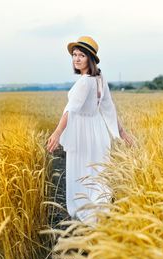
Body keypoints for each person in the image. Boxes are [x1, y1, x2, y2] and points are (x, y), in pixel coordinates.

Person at [47, 36, 134, 223]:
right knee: (97, 172)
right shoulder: (100, 79)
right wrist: (121, 132)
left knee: (81, 172)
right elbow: (109, 109)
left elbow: (71, 110)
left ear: (90, 59)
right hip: (98, 132)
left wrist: (57, 132)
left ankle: (85, 212)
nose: (76, 59)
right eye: (74, 55)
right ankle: (101, 211)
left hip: (82, 134)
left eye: (82, 55)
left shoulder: (86, 81)